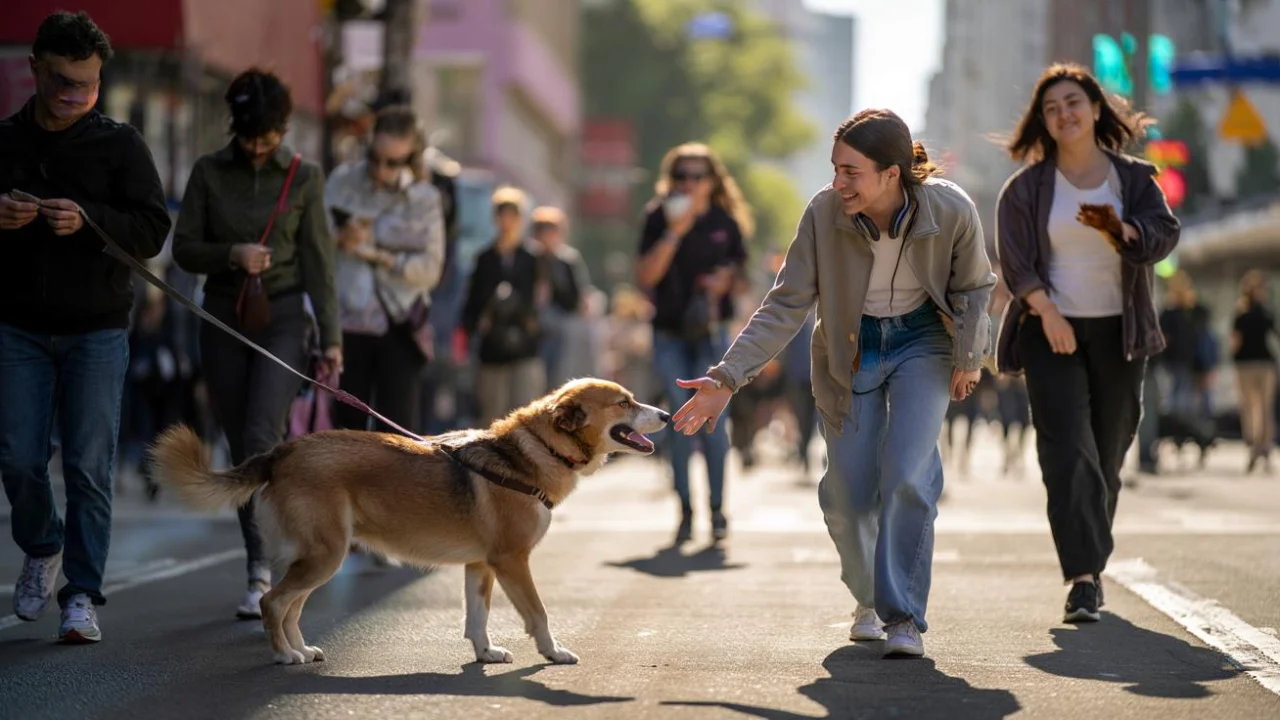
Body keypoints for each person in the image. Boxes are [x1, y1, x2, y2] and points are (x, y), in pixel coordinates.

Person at [672, 109, 995, 658]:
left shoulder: (950, 208)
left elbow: (974, 286)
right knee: (845, 492)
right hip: (852, 346)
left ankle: (903, 618)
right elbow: (786, 304)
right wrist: (727, 378)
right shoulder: (823, 214)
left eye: (852, 172)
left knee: (907, 475)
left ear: (893, 174)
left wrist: (969, 356)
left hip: (924, 341)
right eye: (835, 169)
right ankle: (868, 597)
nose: (838, 182)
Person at [0, 11, 172, 643]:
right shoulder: (6, 140)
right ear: (36, 70)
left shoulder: (120, 144)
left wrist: (92, 220)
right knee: (17, 457)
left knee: (88, 465)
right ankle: (42, 544)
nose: (77, 96)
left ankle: (80, 594)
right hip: (17, 325)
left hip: (97, 327)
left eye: (90, 85)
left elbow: (153, 229)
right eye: (64, 82)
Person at [994, 63, 1180, 624]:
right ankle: (1082, 577)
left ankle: (1090, 563)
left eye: (1073, 102)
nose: (1063, 114)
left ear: (1096, 109)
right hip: (1050, 328)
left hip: (1120, 333)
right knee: (1065, 448)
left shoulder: (1134, 179)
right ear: (1042, 122)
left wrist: (1123, 230)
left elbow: (1163, 234)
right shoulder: (1026, 188)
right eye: (1051, 108)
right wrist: (1046, 310)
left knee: (1106, 452)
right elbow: (1016, 260)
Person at [172, 68, 341, 620]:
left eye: (269, 137)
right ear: (235, 128)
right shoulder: (207, 171)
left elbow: (320, 262)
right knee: (240, 445)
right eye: (250, 138)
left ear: (284, 128)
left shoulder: (304, 175)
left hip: (286, 316)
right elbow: (184, 250)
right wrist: (231, 255)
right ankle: (257, 561)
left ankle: (264, 571)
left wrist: (333, 339)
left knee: (262, 435)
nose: (260, 146)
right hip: (223, 315)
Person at [635, 142, 751, 544]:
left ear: (711, 181)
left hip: (711, 332)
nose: (688, 183)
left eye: (696, 176)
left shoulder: (725, 221)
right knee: (680, 419)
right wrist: (674, 233)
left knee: (714, 423)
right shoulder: (657, 216)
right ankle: (686, 510)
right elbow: (647, 276)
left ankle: (718, 510)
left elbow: (743, 276)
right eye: (680, 175)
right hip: (668, 332)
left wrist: (724, 281)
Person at [326, 104, 446, 434]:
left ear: (412, 159)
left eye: (392, 162)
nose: (380, 169)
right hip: (347, 323)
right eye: (374, 158)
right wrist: (339, 237)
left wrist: (380, 254)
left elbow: (430, 270)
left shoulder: (424, 199)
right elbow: (314, 243)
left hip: (399, 323)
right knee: (343, 435)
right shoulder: (343, 181)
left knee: (397, 437)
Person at [462, 186, 548, 424]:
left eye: (513, 216)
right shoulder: (485, 258)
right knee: (492, 412)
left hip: (525, 342)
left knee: (526, 411)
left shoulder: (532, 257)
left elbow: (540, 298)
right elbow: (473, 300)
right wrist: (474, 327)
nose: (508, 222)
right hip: (492, 346)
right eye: (503, 215)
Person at [1232, 270, 1278, 473]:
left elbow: (1235, 342)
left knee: (1251, 408)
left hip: (1246, 364)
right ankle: (1263, 447)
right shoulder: (1265, 311)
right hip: (1264, 364)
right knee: (1264, 408)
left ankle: (1255, 447)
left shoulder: (1241, 313)